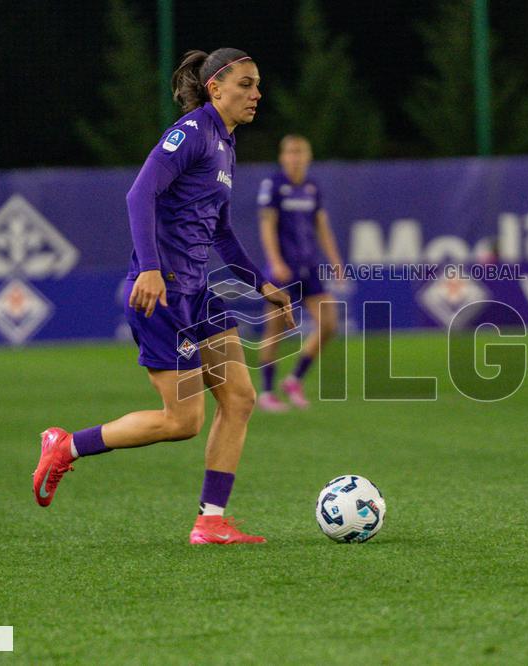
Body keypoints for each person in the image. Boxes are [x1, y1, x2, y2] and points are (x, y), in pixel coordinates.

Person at [32, 48, 294, 545]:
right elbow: (139, 194)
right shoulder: (193, 133)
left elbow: (219, 231)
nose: (256, 93)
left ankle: (211, 521)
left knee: (239, 399)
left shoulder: (226, 145)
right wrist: (149, 269)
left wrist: (259, 283)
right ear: (215, 87)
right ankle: (66, 446)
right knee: (182, 421)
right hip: (165, 294)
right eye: (245, 83)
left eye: (258, 84)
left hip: (200, 293)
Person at [256, 135, 343, 411]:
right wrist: (275, 260)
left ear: (309, 156)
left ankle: (294, 379)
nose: (295, 157)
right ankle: (267, 391)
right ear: (282, 157)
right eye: (290, 152)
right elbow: (267, 225)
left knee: (329, 324)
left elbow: (321, 225)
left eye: (300, 152)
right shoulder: (274, 185)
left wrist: (335, 260)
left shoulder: (311, 187)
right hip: (282, 270)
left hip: (309, 268)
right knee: (275, 330)